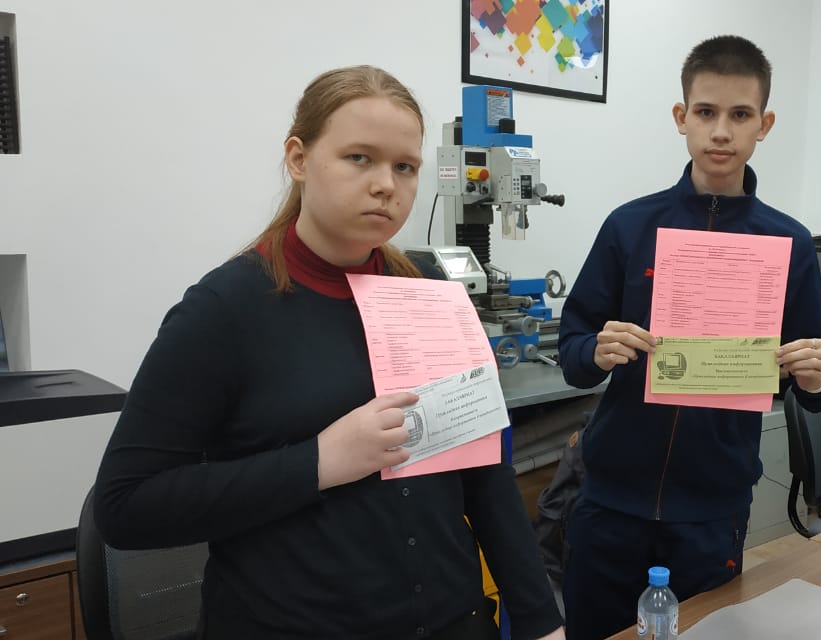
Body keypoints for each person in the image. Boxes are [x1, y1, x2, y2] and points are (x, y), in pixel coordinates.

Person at [93, 66, 564, 640]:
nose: (386, 184)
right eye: (359, 158)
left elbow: (484, 477)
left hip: (454, 621)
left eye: (405, 166)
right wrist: (319, 461)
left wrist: (541, 621)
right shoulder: (223, 310)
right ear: (298, 159)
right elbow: (126, 507)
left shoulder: (430, 294)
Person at [556, 35, 821, 640]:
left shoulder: (788, 243)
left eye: (740, 115)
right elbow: (572, 352)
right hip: (612, 503)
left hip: (712, 510)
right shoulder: (630, 226)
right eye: (706, 112)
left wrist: (818, 377)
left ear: (764, 125)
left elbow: (817, 390)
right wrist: (594, 350)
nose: (721, 132)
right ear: (681, 117)